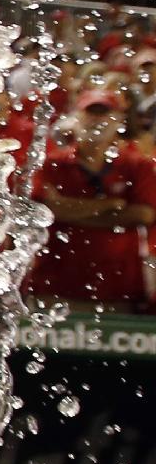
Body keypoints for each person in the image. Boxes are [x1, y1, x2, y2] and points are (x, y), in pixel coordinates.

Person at [22, 86, 156, 307]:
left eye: (104, 113)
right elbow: (42, 210)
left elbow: (143, 214)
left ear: (119, 120)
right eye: (90, 112)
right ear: (75, 118)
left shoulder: (136, 165)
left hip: (119, 292)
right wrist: (110, 205)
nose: (97, 120)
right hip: (56, 290)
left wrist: (69, 210)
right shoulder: (52, 163)